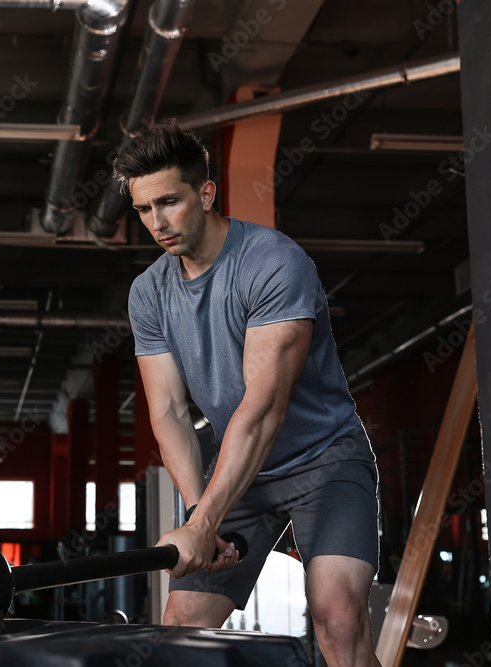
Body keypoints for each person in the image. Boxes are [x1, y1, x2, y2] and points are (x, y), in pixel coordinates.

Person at [117, 122, 381, 667]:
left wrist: (203, 526)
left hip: (324, 460)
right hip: (241, 472)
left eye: (169, 202)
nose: (157, 223)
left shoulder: (273, 262)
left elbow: (262, 411)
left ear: (205, 193)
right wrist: (199, 513)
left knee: (338, 622)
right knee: (181, 627)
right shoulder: (148, 293)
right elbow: (168, 412)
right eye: (143, 209)